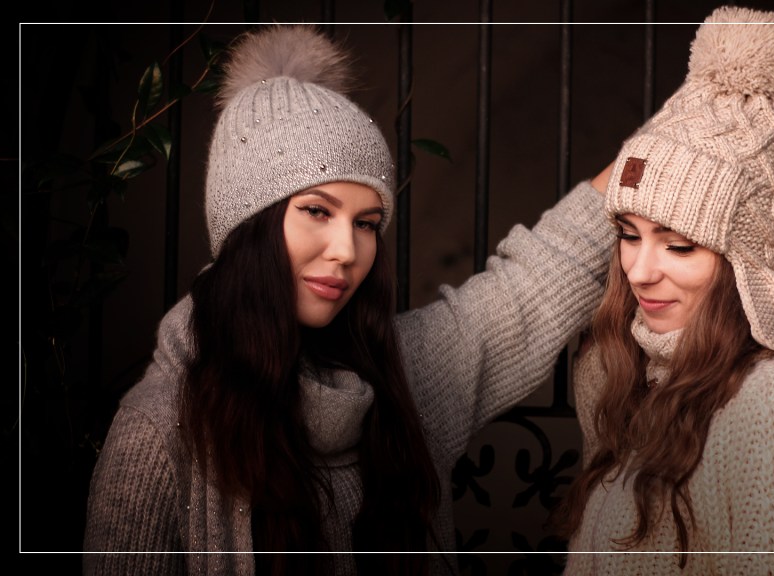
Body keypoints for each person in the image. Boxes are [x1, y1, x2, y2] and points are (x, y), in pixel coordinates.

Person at [82, 24, 619, 576]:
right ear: (248, 224)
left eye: (366, 222)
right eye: (317, 210)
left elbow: (544, 270)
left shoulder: (406, 377)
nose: (347, 250)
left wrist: (676, 124)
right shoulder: (158, 430)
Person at [551, 6, 774, 575]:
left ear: (746, 265)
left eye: (679, 245)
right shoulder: (618, 375)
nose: (639, 270)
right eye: (628, 235)